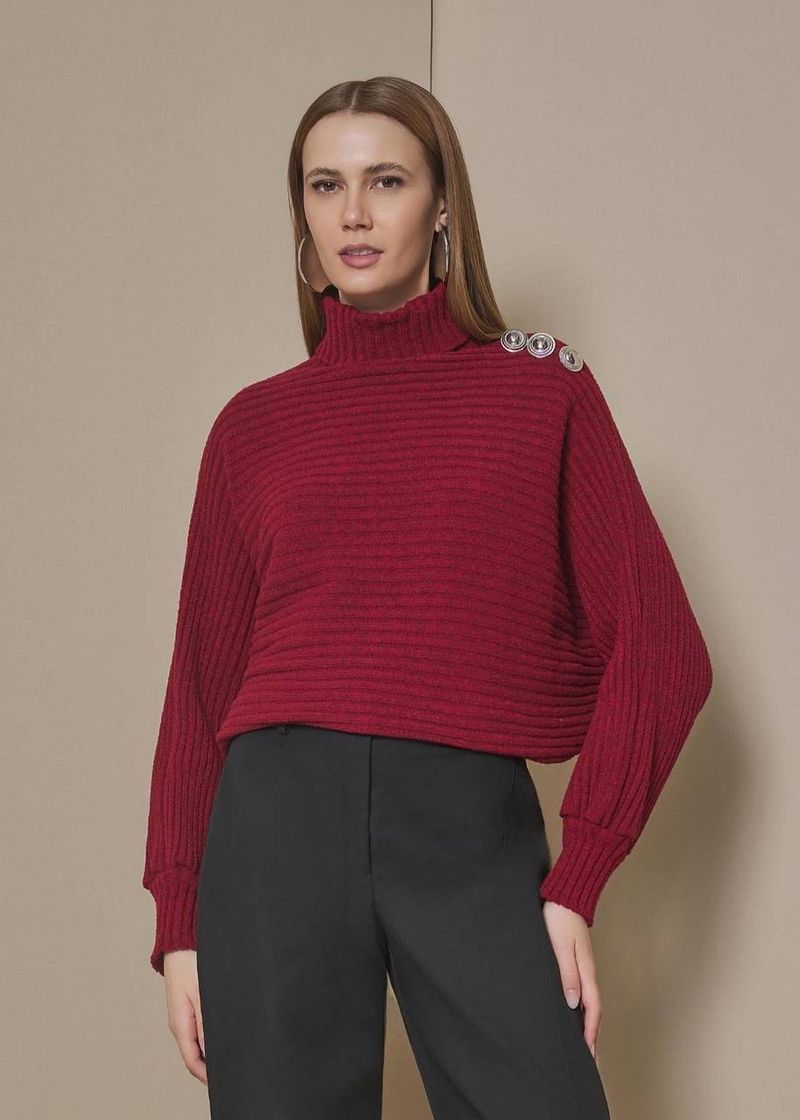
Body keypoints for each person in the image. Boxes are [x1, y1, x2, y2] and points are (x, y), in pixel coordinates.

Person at [142, 76, 713, 1118]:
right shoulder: (252, 428)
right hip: (275, 826)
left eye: (386, 181)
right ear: (301, 212)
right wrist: (179, 919)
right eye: (325, 185)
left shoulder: (541, 386)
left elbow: (664, 649)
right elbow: (200, 687)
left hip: (462, 823)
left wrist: (578, 879)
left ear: (443, 204)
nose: (353, 214)